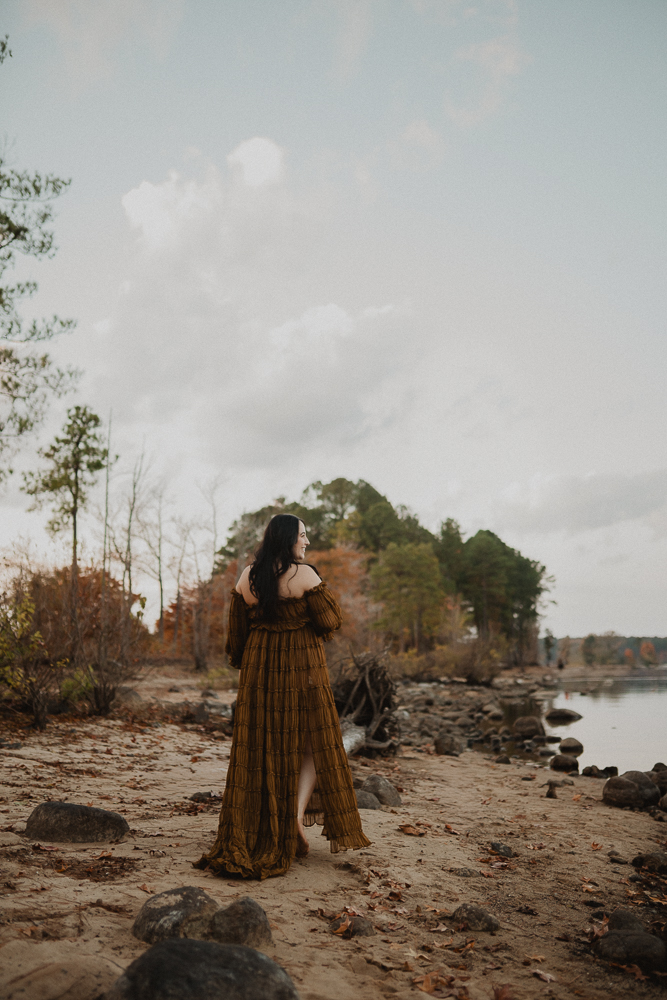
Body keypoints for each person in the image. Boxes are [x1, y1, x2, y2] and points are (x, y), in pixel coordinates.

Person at [194, 513, 370, 879]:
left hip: (259, 669)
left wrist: (255, 660)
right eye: (303, 536)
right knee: (312, 743)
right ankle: (291, 818)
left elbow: (236, 639)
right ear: (288, 538)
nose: (306, 542)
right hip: (302, 668)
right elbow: (330, 621)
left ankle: (262, 825)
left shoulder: (248, 577)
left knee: (260, 746)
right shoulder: (303, 574)